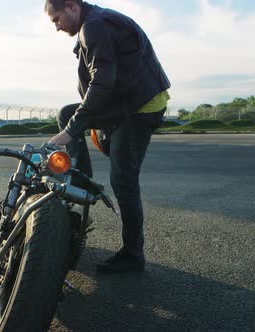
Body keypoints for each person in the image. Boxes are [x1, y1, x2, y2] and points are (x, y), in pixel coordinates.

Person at [45, 0, 171, 272]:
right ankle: (82, 181)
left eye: (56, 19)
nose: (56, 27)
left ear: (70, 6)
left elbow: (103, 81)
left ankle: (133, 255)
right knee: (67, 113)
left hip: (138, 106)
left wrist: (72, 131)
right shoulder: (93, 24)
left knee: (123, 179)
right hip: (125, 100)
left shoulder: (95, 27)